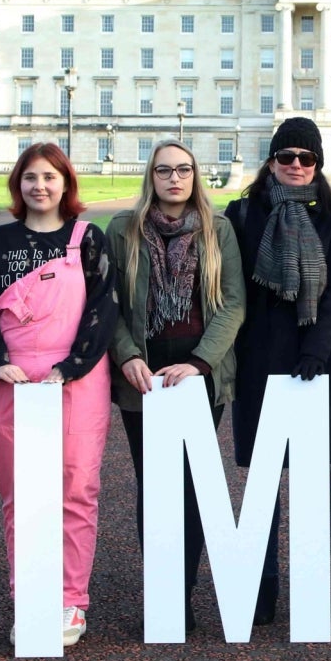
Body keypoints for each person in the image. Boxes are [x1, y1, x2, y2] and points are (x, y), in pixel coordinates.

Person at [0, 143, 117, 647]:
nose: (40, 186)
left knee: (77, 489)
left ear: (66, 183)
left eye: (50, 177)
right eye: (31, 177)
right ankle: (29, 599)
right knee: (20, 495)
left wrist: (71, 366)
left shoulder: (89, 239)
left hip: (76, 376)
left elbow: (103, 308)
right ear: (18, 184)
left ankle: (70, 601)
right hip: (10, 377)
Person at [108, 140, 246, 627]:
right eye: (164, 170)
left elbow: (233, 303)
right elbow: (109, 304)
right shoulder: (123, 230)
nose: (174, 178)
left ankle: (181, 594)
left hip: (197, 374)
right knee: (154, 486)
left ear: (195, 175)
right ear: (151, 176)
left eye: (183, 169)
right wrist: (125, 355)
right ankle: (161, 592)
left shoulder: (218, 229)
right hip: (141, 372)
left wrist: (200, 362)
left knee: (191, 485)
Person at [224, 117, 331, 627]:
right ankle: (263, 587)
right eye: (287, 157)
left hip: (313, 361)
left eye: (306, 158)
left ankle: (309, 580)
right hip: (259, 357)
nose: (297, 166)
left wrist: (317, 350)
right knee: (262, 483)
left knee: (311, 482)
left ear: (318, 164)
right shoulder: (241, 215)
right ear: (271, 162)